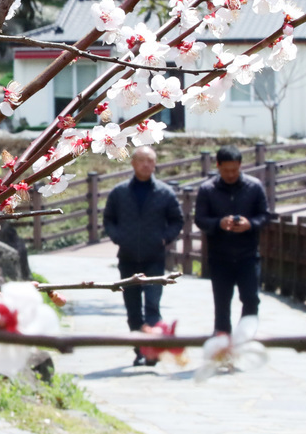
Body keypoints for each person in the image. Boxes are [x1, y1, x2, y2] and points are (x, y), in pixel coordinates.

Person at [102, 145, 185, 366]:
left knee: (152, 306)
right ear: (133, 163)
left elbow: (177, 220)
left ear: (155, 163)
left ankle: (153, 350)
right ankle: (140, 349)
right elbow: (108, 219)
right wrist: (119, 237)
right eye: (142, 160)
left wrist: (164, 238)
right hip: (127, 257)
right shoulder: (120, 192)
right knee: (132, 308)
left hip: (154, 258)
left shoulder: (164, 192)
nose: (146, 164)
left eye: (150, 160)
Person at [194, 146, 270, 335]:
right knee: (222, 303)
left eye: (234, 170)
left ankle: (245, 338)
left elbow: (265, 216)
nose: (230, 174)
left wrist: (250, 224)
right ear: (218, 166)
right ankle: (222, 345)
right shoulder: (207, 189)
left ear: (240, 166)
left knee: (251, 299)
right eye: (226, 170)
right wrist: (219, 223)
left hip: (248, 255)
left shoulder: (254, 186)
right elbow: (200, 219)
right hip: (219, 256)